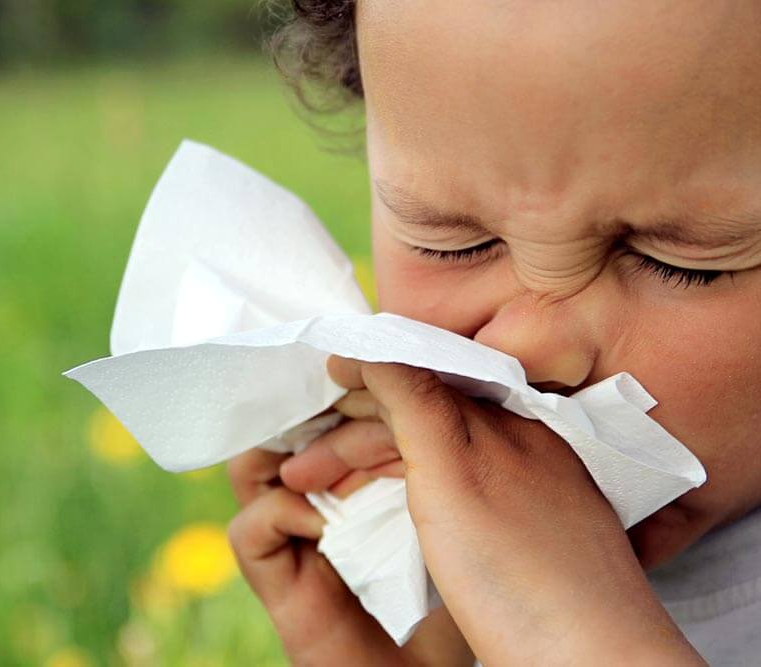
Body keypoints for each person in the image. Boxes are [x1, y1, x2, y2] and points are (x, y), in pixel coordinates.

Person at [226, 1, 761, 664]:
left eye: (683, 263)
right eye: (450, 240)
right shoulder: (444, 599)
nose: (524, 349)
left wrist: (570, 634)